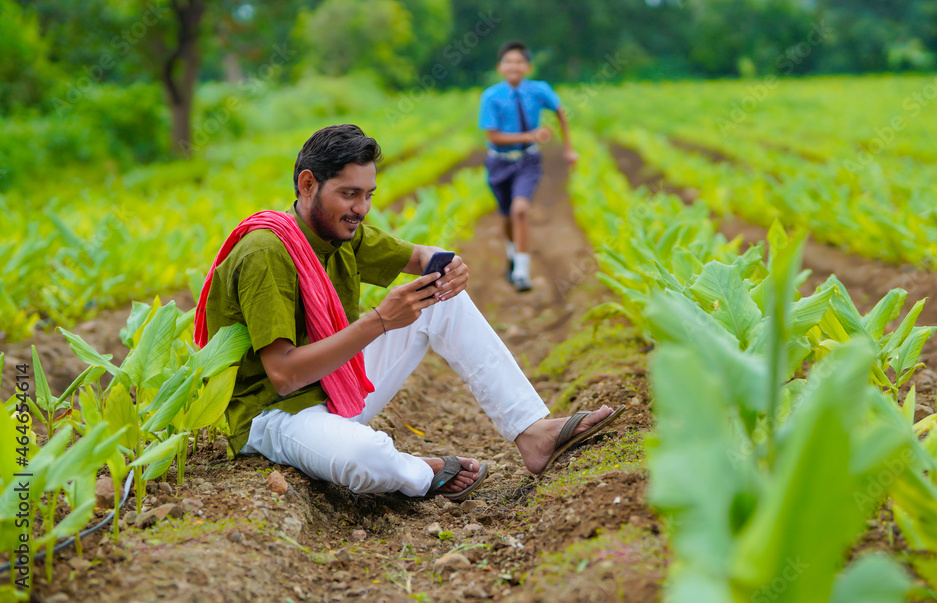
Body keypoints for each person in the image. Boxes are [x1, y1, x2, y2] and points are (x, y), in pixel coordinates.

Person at [199, 124, 623, 500]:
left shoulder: (342, 233)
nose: (361, 209)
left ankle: (532, 432)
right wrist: (380, 321)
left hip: (334, 386)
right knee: (366, 455)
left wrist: (448, 265)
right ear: (307, 185)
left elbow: (422, 257)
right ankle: (422, 470)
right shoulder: (267, 252)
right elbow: (285, 374)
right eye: (349, 194)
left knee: (443, 298)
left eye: (367, 195)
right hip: (277, 413)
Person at [478, 40, 578, 292]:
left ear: (528, 66)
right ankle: (512, 254)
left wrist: (568, 147)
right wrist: (531, 135)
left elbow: (560, 111)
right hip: (499, 162)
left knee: (520, 209)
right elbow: (493, 136)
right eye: (509, 61)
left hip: (528, 161)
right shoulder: (491, 96)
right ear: (500, 67)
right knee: (506, 215)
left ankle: (522, 272)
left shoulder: (539, 89)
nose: (514, 66)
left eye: (519, 61)